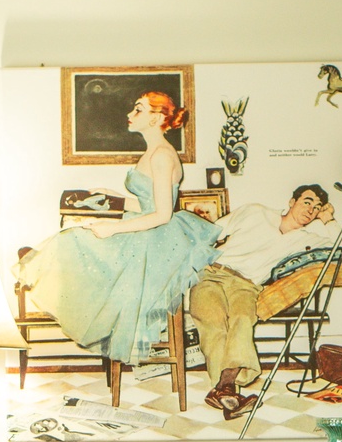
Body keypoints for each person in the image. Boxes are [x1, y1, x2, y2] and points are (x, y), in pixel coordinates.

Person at [15, 92, 220, 367]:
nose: (130, 115)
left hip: (157, 241)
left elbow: (162, 214)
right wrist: (113, 195)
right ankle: (45, 272)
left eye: (138, 110)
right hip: (149, 232)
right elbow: (150, 203)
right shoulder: (154, 151)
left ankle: (40, 269)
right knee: (77, 239)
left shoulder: (161, 155)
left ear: (156, 118)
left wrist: (113, 229)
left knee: (75, 241)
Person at [190, 184, 342, 419]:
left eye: (317, 208)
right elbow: (210, 232)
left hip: (246, 285)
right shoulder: (256, 212)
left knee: (242, 319)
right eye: (307, 202)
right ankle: (226, 390)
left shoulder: (306, 239)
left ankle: (223, 389)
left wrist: (328, 218)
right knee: (213, 320)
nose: (311, 210)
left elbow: (341, 245)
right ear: (292, 202)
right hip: (212, 273)